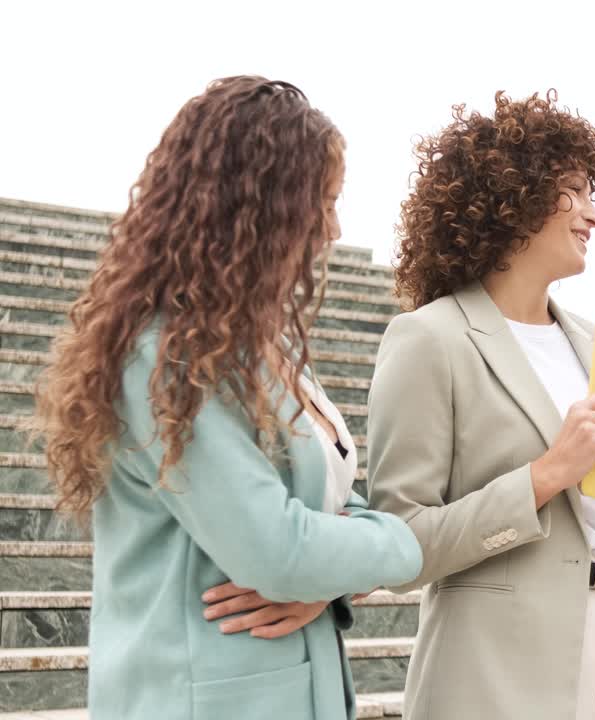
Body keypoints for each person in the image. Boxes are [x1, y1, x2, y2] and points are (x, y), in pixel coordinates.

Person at [31, 76, 423, 720]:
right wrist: (403, 542)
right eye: (319, 203)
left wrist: (326, 579)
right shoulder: (164, 358)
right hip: (197, 698)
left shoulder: (261, 349)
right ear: (259, 207)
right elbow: (277, 550)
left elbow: (333, 502)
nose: (331, 228)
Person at [368, 90, 595, 720]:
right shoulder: (430, 339)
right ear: (514, 194)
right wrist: (543, 477)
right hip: (492, 679)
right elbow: (399, 547)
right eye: (578, 191)